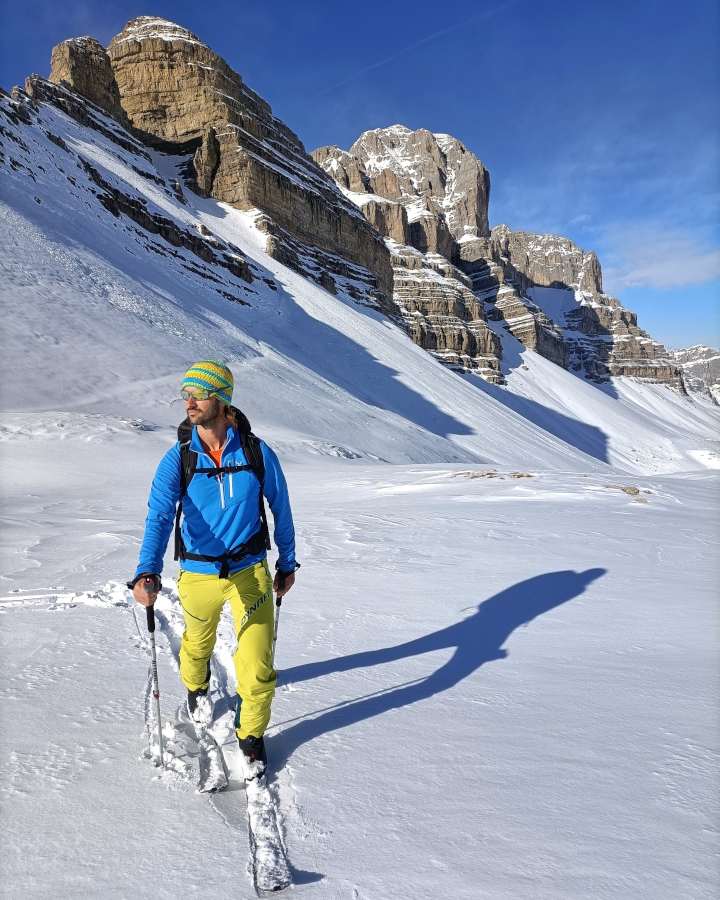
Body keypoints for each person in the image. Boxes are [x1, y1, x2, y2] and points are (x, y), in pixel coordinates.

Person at [129, 360, 298, 771]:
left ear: (222, 400)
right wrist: (146, 569)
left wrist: (287, 562)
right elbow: (159, 516)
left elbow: (281, 507)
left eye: (198, 394)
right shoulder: (179, 459)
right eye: (186, 394)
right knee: (196, 646)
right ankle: (196, 686)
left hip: (249, 570)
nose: (189, 401)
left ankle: (251, 736)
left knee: (257, 665)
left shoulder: (257, 452)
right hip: (198, 573)